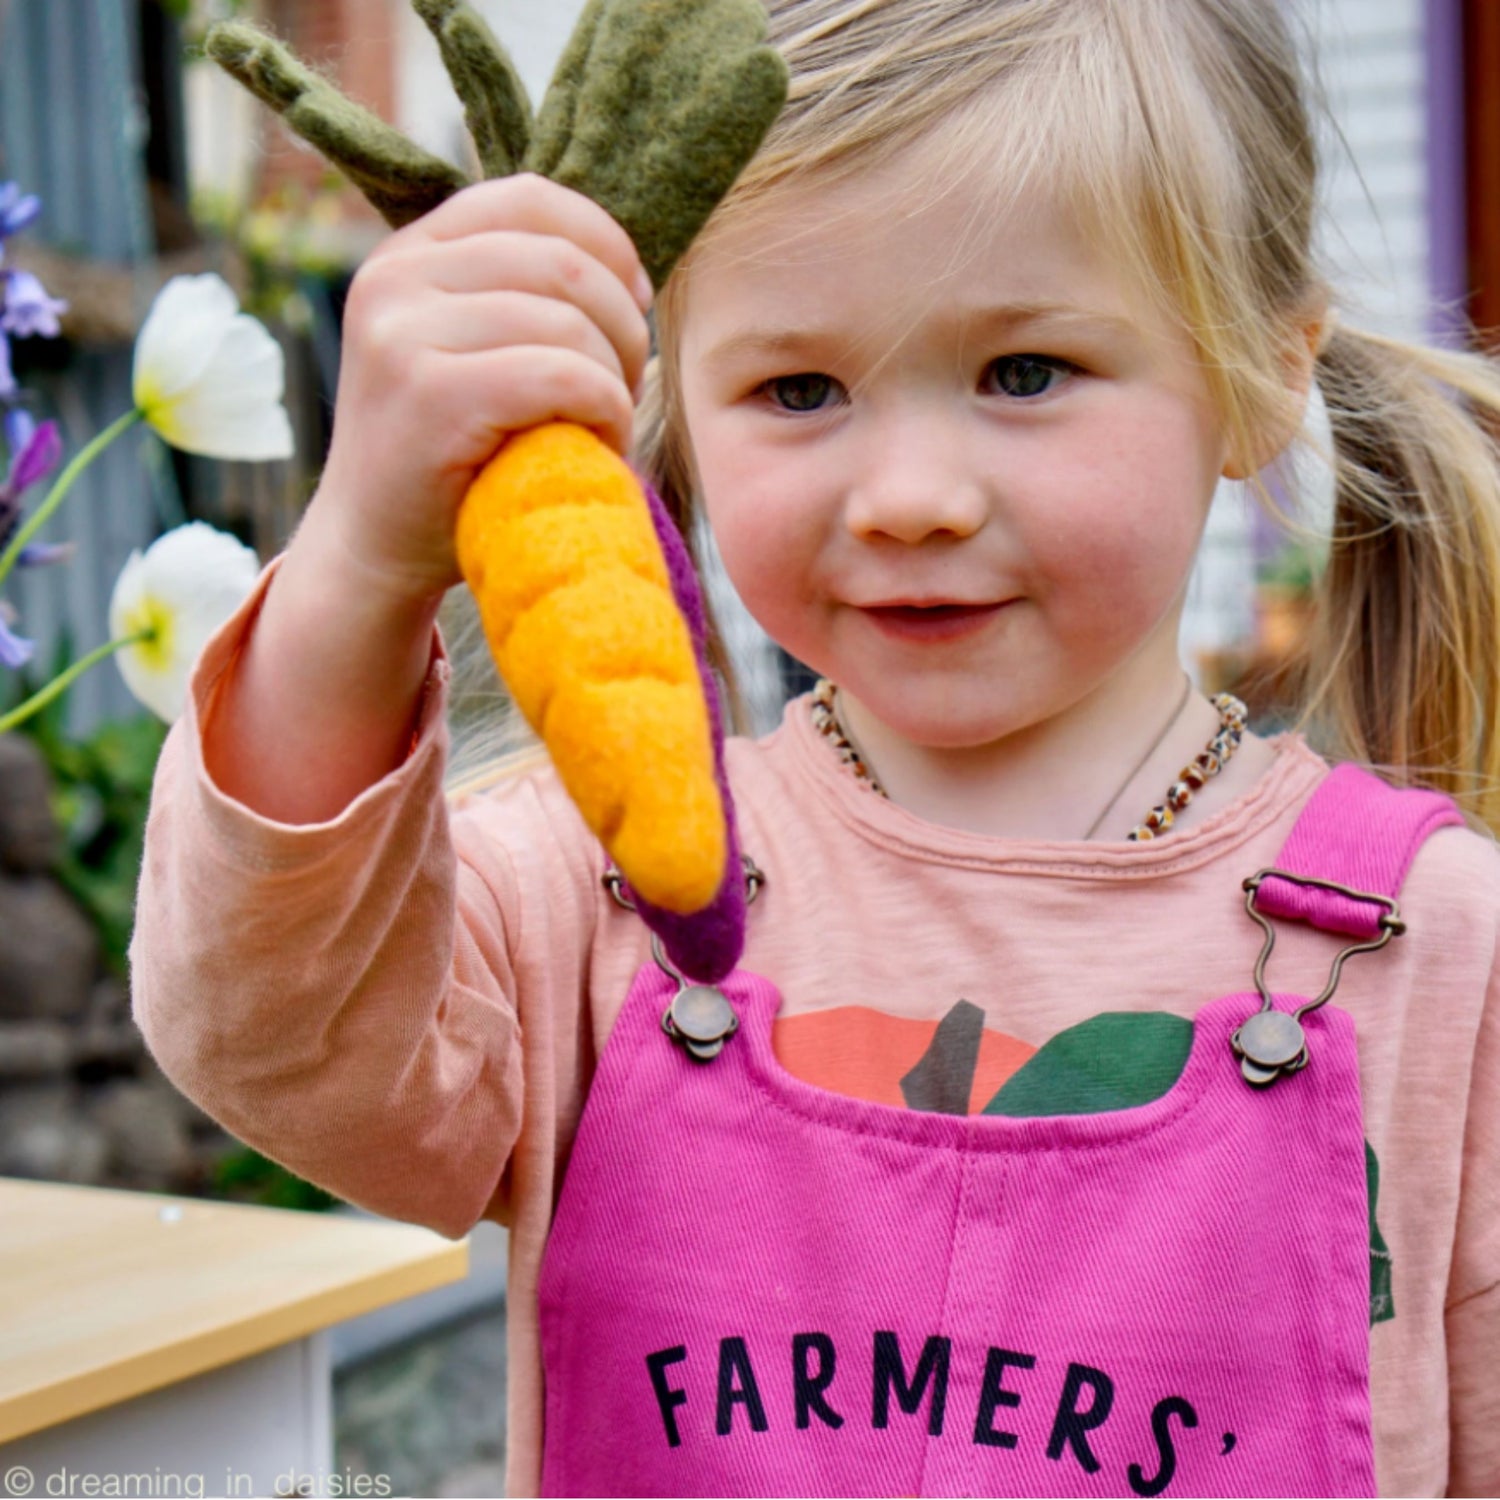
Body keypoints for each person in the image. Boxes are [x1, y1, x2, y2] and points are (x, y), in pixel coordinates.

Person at [128, 1, 1499, 1495]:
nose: (909, 494)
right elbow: (265, 1034)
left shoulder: (1441, 957)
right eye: (800, 390)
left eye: (1026, 370)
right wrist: (362, 565)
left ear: (1265, 371)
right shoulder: (597, 895)